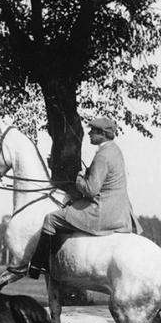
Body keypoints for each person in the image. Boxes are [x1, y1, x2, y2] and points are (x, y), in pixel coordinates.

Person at [27, 116, 142, 278]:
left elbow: (91, 190)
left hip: (103, 212)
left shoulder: (102, 155)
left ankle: (38, 266)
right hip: (121, 211)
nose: (89, 134)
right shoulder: (114, 150)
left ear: (102, 134)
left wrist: (79, 177)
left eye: (93, 131)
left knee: (51, 219)